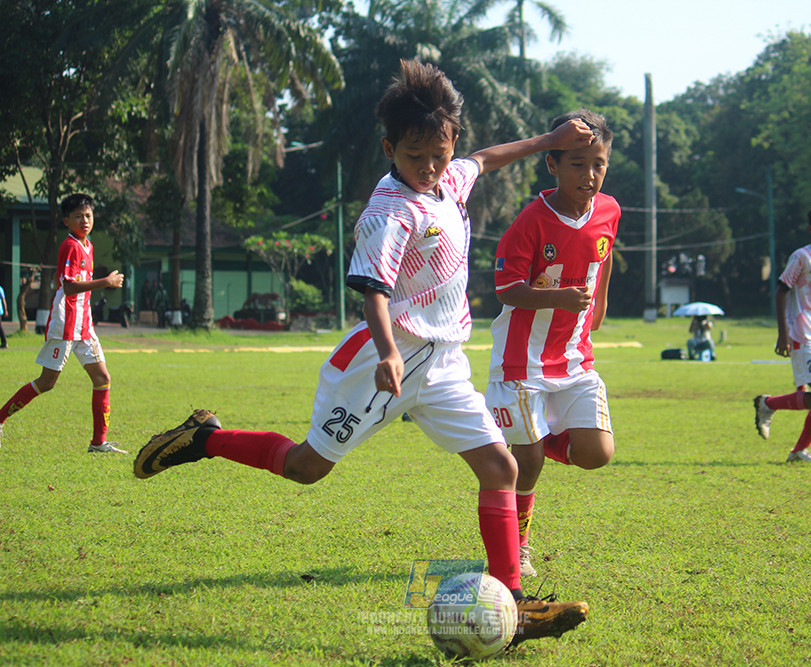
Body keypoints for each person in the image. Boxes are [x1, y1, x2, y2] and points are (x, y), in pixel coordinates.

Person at [133, 60, 592, 645]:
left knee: (499, 467)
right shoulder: (388, 213)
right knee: (306, 469)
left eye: (439, 153)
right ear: (389, 149)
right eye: (414, 156)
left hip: (445, 362)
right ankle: (204, 438)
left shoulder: (449, 179)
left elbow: (488, 158)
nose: (428, 168)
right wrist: (387, 353)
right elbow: (373, 290)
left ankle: (516, 608)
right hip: (382, 363)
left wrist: (550, 141)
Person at [484, 109, 619, 579]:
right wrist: (559, 296)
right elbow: (505, 289)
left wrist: (597, 306)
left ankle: (538, 435)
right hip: (520, 362)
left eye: (598, 163)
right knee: (529, 461)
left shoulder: (609, 210)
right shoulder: (531, 221)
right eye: (578, 164)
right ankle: (520, 545)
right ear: (553, 166)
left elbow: (602, 262)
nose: (590, 175)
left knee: (597, 454)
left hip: (575, 358)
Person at [0, 193, 127, 454]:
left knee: (102, 377)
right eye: (78, 217)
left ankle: (98, 443)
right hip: (65, 324)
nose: (84, 220)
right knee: (47, 382)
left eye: (88, 215)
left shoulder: (88, 246)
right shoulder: (69, 246)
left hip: (84, 325)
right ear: (66, 221)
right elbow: (69, 287)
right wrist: (105, 282)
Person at [754, 200, 811, 465]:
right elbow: (782, 291)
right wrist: (783, 334)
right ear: (810, 228)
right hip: (802, 334)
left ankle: (798, 452)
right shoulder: (801, 257)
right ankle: (768, 404)